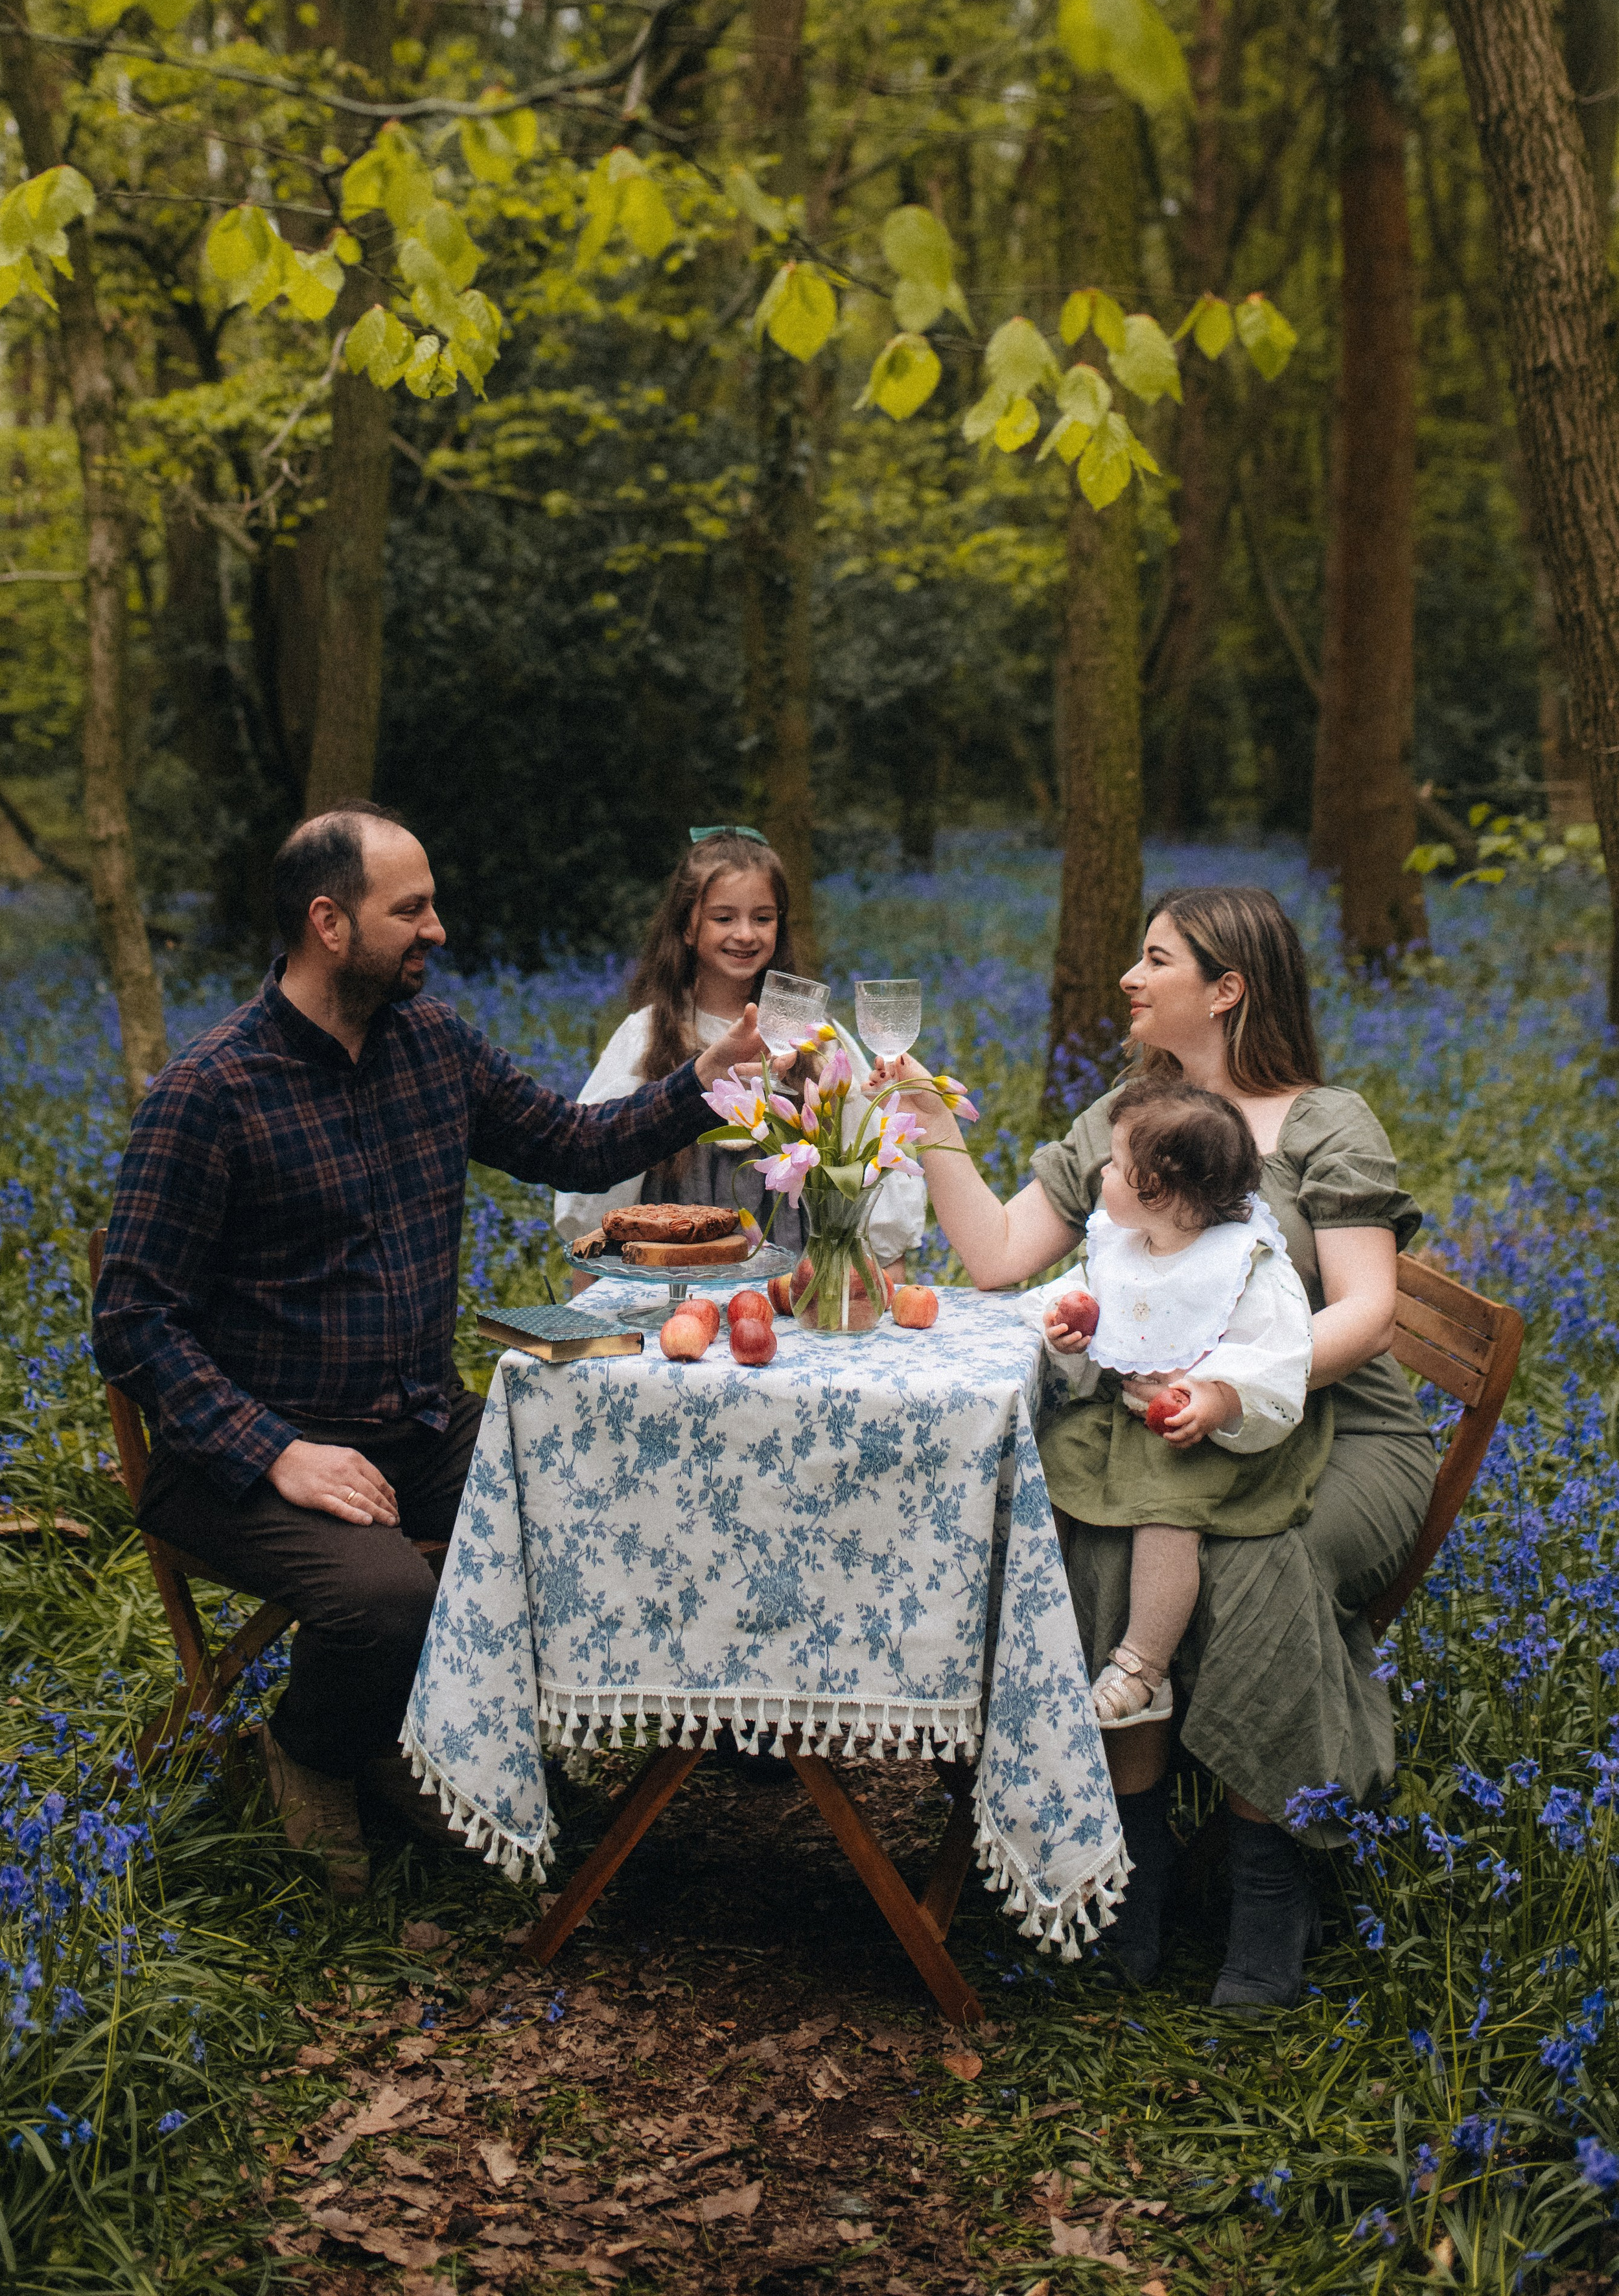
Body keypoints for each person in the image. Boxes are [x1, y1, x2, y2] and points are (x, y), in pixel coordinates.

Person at [92, 802, 767, 1902]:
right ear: (329, 921)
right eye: (411, 910)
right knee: (387, 1597)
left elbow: (565, 1139)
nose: (438, 930)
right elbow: (131, 1320)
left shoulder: (433, 1046)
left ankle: (433, 1742)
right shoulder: (211, 1093)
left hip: (412, 1420)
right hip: (244, 1462)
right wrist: (276, 1452)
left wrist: (704, 1084)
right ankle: (314, 1751)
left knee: (596, 1500)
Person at [870, 884, 1434, 2006]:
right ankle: (1133, 1864)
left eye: (1156, 958)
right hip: (1171, 1428)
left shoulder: (1328, 1124)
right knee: (1110, 1532)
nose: (1128, 978)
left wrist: (1225, 1381)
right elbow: (997, 1255)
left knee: (1267, 1554)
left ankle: (1273, 1885)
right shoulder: (1127, 1118)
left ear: (1225, 990)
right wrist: (929, 1130)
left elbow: (1367, 1310)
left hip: (1330, 1420)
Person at [1038, 1074, 1325, 1734]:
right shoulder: (1126, 1242)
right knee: (1050, 1460)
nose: (1102, 1172)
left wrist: (1216, 1395)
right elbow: (1100, 1303)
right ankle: (1031, 1620)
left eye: (1114, 1163)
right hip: (1127, 1419)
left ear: (1156, 1188)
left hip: (1205, 1438)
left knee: (1166, 1518)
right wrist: (1070, 1331)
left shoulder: (1243, 1263)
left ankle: (1144, 1669)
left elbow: (1279, 1352)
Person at [555, 826, 925, 1272]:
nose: (746, 934)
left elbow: (871, 1152)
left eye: (763, 918)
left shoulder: (814, 1036)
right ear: (687, 927)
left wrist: (888, 1276)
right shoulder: (649, 1033)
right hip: (674, 1278)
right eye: (724, 917)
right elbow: (598, 1184)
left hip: (791, 1281)